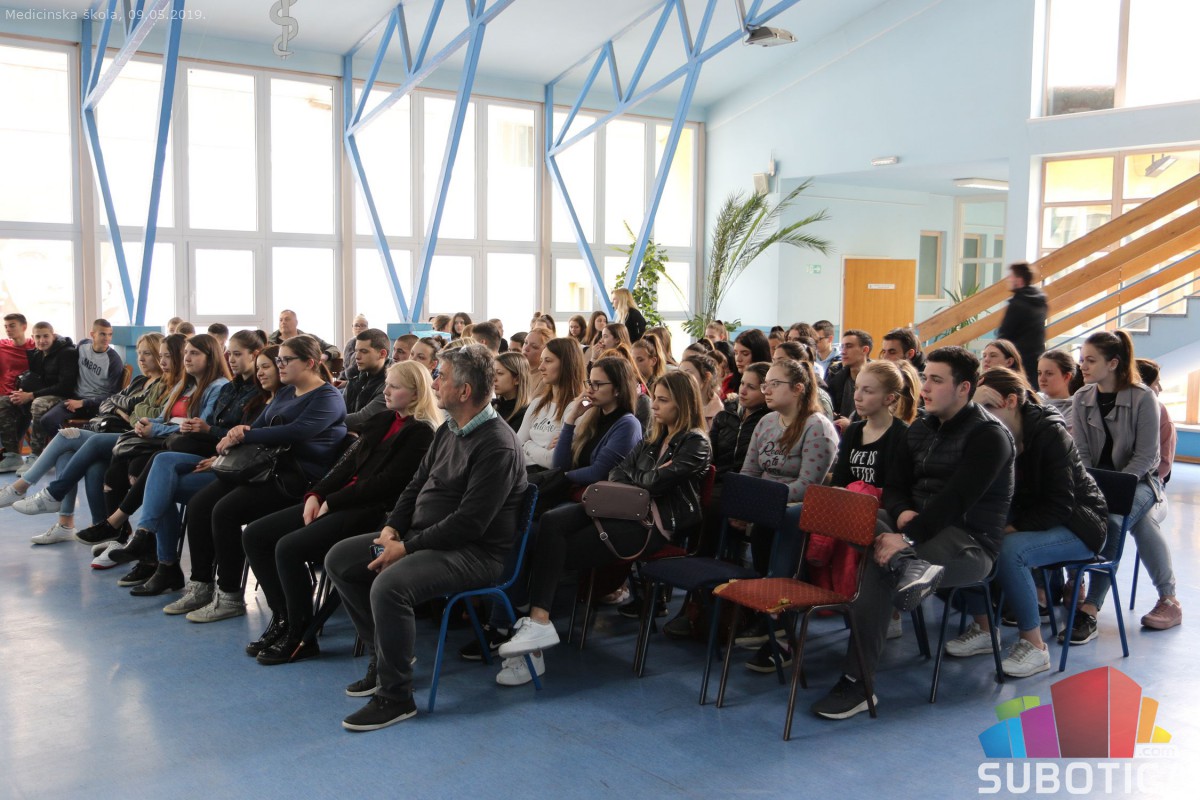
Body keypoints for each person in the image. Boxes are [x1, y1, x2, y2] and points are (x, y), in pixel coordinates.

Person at [325, 344, 528, 731]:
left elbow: (469, 524)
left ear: (464, 391)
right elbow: (416, 485)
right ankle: (384, 656)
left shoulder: (497, 445)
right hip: (424, 538)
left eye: (441, 377)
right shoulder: (450, 428)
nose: (434, 383)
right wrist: (393, 528)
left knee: (389, 586)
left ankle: (396, 696)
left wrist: (405, 548)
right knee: (340, 560)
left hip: (474, 553)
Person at [810, 346, 1015, 721]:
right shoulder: (921, 427)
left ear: (964, 388)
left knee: (879, 567)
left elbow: (957, 500)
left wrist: (907, 537)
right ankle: (908, 566)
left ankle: (858, 683)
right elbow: (895, 484)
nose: (926, 388)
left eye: (937, 380)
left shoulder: (990, 436)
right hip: (913, 528)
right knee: (845, 508)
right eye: (926, 379)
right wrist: (903, 513)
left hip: (968, 544)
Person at [498, 371, 711, 675]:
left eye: (663, 401)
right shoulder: (654, 438)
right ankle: (539, 620)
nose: (654, 406)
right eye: (655, 398)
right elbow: (616, 473)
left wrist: (643, 478)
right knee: (551, 521)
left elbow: (654, 482)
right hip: (621, 507)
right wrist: (646, 477)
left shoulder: (696, 443)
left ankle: (535, 625)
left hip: (653, 525)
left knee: (561, 546)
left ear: (683, 404)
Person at [242, 361, 440, 664]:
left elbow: (387, 484)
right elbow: (346, 465)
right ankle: (282, 618)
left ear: (415, 394)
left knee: (288, 548)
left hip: (370, 511)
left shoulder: (421, 433)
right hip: (338, 501)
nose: (386, 391)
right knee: (256, 535)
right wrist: (316, 494)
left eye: (394, 387)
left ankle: (300, 633)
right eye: (387, 384)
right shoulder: (384, 419)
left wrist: (332, 501)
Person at [943, 367, 1106, 678]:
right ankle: (984, 628)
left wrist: (1008, 529)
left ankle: (1035, 646)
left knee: (1008, 550)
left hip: (1080, 525)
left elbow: (1060, 504)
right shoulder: (992, 435)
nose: (980, 416)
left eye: (987, 406)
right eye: (976, 408)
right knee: (966, 535)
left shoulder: (1050, 434)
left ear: (1011, 401)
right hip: (1035, 517)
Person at [177, 335, 347, 623]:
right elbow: (256, 426)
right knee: (200, 505)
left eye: (286, 360)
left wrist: (246, 435)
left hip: (297, 479)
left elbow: (298, 431)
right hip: (267, 469)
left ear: (310, 362)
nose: (280, 365)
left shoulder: (327, 397)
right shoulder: (286, 393)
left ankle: (229, 595)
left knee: (226, 511)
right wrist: (237, 434)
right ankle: (201, 584)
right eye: (278, 360)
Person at [119, 346, 279, 601]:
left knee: (167, 484)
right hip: (222, 459)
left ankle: (153, 551)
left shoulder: (258, 396)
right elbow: (223, 431)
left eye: (266, 366)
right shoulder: (235, 391)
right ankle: (156, 552)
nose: (260, 372)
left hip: (239, 468)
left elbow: (246, 440)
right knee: (160, 466)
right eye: (231, 354)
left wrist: (216, 451)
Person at [0, 333, 167, 544]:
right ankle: (68, 524)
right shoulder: (140, 380)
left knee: (67, 436)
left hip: (130, 438)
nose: (141, 358)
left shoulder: (162, 384)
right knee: (78, 457)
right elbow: (108, 403)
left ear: (160, 356)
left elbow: (140, 416)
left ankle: (25, 489)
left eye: (148, 354)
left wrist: (122, 408)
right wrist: (121, 409)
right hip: (114, 432)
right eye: (140, 353)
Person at [1067, 330, 1180, 638]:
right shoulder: (1082, 397)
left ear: (1113, 363)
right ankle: (1075, 581)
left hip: (1140, 482)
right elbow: (1081, 452)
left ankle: (1090, 609)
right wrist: (1091, 488)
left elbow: (1148, 458)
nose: (1083, 367)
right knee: (1077, 512)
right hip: (1097, 481)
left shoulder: (1143, 397)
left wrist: (1116, 487)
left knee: (1115, 520)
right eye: (1082, 360)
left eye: (1091, 361)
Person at [737, 358, 840, 669]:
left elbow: (809, 485)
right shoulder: (767, 422)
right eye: (765, 383)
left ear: (797, 389)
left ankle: (779, 618)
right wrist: (746, 502)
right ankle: (765, 608)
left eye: (774, 384)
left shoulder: (817, 426)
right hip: (769, 506)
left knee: (781, 522)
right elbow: (749, 472)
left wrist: (763, 501)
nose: (766, 389)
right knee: (754, 524)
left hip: (800, 510)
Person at [34, 318, 124, 440]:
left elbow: (114, 395)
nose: (107, 338)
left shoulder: (114, 360)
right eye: (102, 334)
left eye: (110, 334)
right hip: (75, 399)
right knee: (47, 421)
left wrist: (83, 403)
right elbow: (63, 344)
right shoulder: (83, 345)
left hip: (97, 405)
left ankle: (73, 446)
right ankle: (69, 446)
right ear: (92, 334)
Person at [1, 322, 76, 463]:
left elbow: (65, 387)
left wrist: (31, 395)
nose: (42, 340)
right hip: (40, 394)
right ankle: (12, 456)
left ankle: (36, 455)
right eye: (38, 337)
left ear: (53, 336)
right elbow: (35, 380)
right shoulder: (36, 353)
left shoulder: (67, 353)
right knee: (4, 401)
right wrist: (22, 392)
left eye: (46, 336)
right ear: (33, 337)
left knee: (38, 403)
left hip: (63, 396)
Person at [517, 337, 586, 470]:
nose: (541, 367)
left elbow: (553, 461)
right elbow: (515, 448)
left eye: (548, 361)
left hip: (547, 479)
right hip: (524, 473)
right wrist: (540, 450)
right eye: (541, 361)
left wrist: (528, 445)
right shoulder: (537, 403)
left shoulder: (578, 408)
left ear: (567, 364)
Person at [996, 261, 1048, 386]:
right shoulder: (1040, 301)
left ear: (1019, 280)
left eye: (1011, 276)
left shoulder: (1017, 304)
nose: (1008, 279)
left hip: (1018, 361)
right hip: (1036, 359)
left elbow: (1005, 336)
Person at [0, 313, 36, 470]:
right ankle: (12, 455)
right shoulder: (2, 346)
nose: (8, 329)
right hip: (5, 394)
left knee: (22, 409)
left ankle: (13, 455)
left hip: (25, 394)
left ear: (24, 327)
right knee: (5, 403)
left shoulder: (35, 346)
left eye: (12, 326)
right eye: (6, 326)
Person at [1136, 359, 1176, 485]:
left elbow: (1164, 464)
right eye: (1157, 383)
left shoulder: (1161, 413)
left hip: (1148, 479)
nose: (1161, 388)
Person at [342, 328, 390, 432]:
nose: (357, 357)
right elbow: (341, 407)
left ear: (382, 354)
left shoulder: (391, 384)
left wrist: (327, 419)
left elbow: (361, 420)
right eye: (356, 351)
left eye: (364, 351)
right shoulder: (356, 375)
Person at [826, 329, 872, 432]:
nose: (843, 352)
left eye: (849, 346)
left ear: (865, 350)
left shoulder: (877, 379)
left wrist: (851, 425)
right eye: (842, 347)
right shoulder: (835, 376)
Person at [268, 309, 340, 362]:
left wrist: (326, 355)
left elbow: (333, 349)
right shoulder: (269, 342)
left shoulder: (309, 339)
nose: (283, 322)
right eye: (281, 320)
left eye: (287, 319)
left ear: (296, 322)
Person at [1037, 349, 1080, 430]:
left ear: (1066, 377)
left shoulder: (1075, 411)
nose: (1042, 379)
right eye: (1039, 373)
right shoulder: (1033, 400)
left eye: (1049, 373)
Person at [681, 353, 722, 428]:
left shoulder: (720, 414)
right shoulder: (678, 406)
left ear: (707, 376)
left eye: (688, 374)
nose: (681, 379)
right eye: (679, 374)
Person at [492, 351, 531, 431]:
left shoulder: (525, 414)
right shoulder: (492, 405)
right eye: (492, 373)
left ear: (517, 379)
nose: (494, 378)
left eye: (500, 373)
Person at [521, 327, 551, 394]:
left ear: (545, 351)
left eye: (534, 347)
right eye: (525, 342)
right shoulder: (516, 370)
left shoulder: (545, 378)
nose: (526, 348)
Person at [341, 314, 370, 380]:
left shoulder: (371, 342)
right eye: (356, 325)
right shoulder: (350, 343)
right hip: (350, 378)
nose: (359, 328)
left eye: (363, 325)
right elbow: (347, 366)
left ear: (368, 328)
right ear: (352, 328)